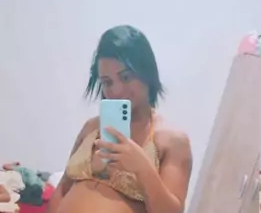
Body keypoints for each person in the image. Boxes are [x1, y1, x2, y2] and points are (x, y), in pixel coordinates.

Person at [48, 25, 192, 213]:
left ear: (147, 74)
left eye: (126, 77)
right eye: (107, 82)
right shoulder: (91, 128)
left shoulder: (171, 141)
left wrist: (143, 169)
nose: (116, 91)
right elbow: (62, 189)